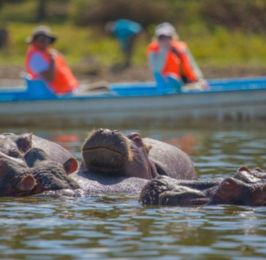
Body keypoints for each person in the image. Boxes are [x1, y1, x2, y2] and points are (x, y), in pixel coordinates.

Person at [147, 22, 206, 91]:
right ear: (157, 38)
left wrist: (200, 79)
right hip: (166, 86)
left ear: (173, 37)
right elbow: (156, 69)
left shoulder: (180, 48)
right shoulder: (154, 51)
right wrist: (163, 51)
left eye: (168, 37)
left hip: (187, 84)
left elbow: (192, 65)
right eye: (161, 37)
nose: (165, 40)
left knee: (198, 87)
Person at [25, 25, 79, 95]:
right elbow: (49, 78)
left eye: (47, 39)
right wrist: (52, 60)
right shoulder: (36, 57)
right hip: (55, 93)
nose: (45, 41)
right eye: (41, 39)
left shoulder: (47, 53)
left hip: (66, 90)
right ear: (34, 41)